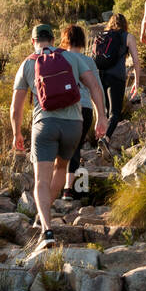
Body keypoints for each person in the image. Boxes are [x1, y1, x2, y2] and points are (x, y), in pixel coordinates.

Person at [11, 22, 107, 244]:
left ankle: (47, 230)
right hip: (74, 124)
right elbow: (94, 86)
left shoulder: (27, 63)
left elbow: (16, 107)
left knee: (41, 182)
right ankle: (43, 214)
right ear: (53, 40)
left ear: (33, 41)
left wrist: (17, 132)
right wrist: (101, 117)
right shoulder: (72, 58)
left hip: (45, 125)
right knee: (62, 167)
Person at [59, 24, 99, 199]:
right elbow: (97, 88)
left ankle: (61, 187)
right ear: (82, 40)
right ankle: (70, 188)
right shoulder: (89, 61)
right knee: (76, 147)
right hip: (86, 109)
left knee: (64, 148)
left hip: (66, 109)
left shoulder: (59, 59)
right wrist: (102, 116)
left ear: (65, 38)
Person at [93, 13, 141, 152]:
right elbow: (136, 61)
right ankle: (105, 139)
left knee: (105, 112)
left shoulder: (102, 36)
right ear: (125, 24)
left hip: (101, 76)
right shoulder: (127, 36)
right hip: (117, 77)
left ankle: (99, 144)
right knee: (115, 112)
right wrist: (136, 82)